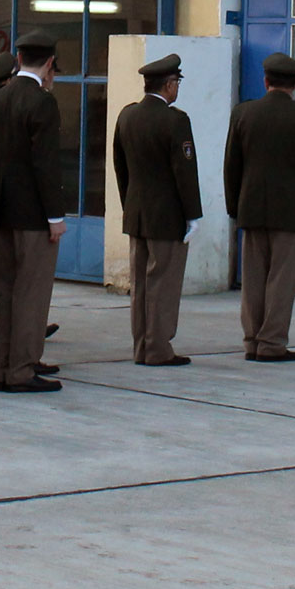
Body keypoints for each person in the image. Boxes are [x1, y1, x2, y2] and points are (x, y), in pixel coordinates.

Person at [226, 52, 295, 363]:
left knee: (254, 279)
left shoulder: (244, 113)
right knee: (281, 281)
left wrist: (235, 207)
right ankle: (271, 343)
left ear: (266, 81)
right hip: (290, 212)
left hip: (252, 209)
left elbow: (232, 166)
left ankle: (252, 341)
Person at [0, 31, 71, 393]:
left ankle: (4, 367)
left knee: (3, 293)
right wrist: (55, 216)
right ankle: (21, 369)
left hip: (0, 212)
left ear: (17, 59)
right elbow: (45, 164)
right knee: (32, 294)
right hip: (33, 216)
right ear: (49, 63)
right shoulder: (42, 103)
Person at [112, 53, 202, 367]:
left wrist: (129, 204)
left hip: (137, 213)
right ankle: (159, 349)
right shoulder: (176, 120)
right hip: (167, 215)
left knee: (140, 285)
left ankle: (141, 346)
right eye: (176, 82)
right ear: (168, 84)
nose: (177, 87)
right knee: (163, 284)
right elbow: (185, 171)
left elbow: (120, 167)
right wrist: (193, 214)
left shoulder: (127, 115)